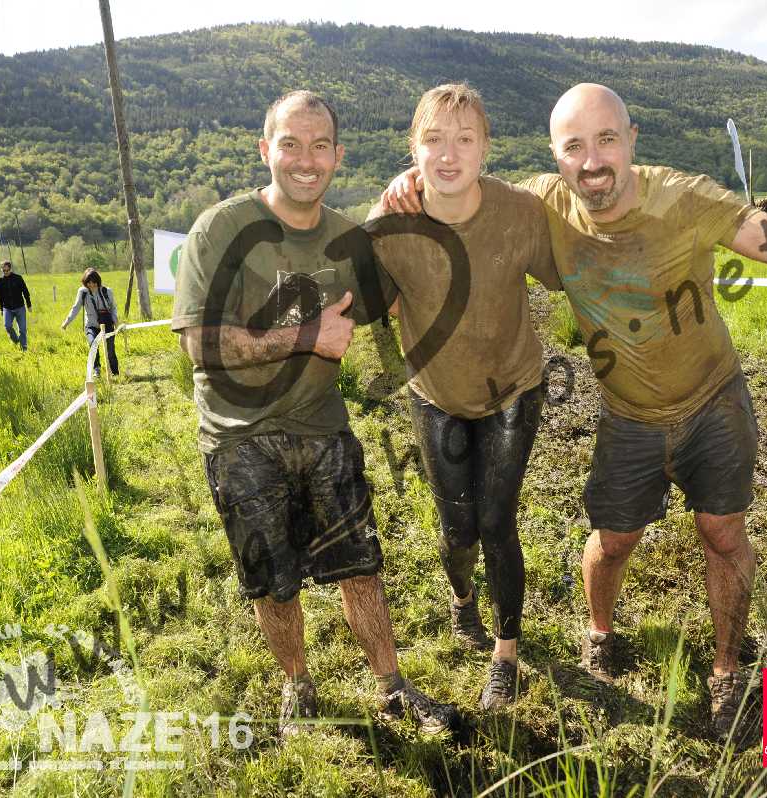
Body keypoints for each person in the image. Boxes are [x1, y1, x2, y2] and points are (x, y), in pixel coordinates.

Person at [382, 82, 767, 738]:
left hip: (713, 402)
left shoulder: (683, 197)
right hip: (627, 413)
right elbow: (461, 184)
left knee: (723, 534)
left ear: (632, 140)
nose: (592, 161)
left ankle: (726, 670)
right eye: (575, 147)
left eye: (607, 140)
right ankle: (599, 634)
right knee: (613, 541)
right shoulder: (543, 204)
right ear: (556, 156)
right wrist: (405, 184)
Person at [171, 90, 457, 738]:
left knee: (362, 566)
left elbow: (390, 295)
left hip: (323, 426)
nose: (306, 160)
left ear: (337, 155)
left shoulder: (345, 238)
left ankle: (392, 685)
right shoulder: (220, 229)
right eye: (291, 144)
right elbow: (200, 344)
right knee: (275, 582)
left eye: (320, 146)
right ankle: (297, 682)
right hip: (240, 436)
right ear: (265, 150)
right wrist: (307, 337)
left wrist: (407, 202)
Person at [366, 84, 557, 710]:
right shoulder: (392, 222)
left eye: (464, 139)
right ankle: (462, 600)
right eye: (434, 140)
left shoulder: (519, 212)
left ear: (485, 148)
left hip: (512, 390)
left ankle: (506, 654)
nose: (449, 155)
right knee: (457, 531)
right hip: (436, 396)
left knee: (497, 521)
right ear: (413, 148)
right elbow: (364, 299)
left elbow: (573, 266)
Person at [61, 268, 120, 377]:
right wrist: (66, 322)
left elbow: (113, 308)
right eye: (89, 283)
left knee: (110, 349)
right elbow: (76, 308)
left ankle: (115, 372)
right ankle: (97, 369)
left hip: (107, 324)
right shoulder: (82, 293)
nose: (92, 285)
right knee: (93, 344)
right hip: (91, 325)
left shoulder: (107, 291)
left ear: (98, 281)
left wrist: (116, 323)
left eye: (94, 283)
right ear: (85, 283)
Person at [0, 259, 31, 350]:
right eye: (4, 271)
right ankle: (16, 340)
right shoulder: (0, 281)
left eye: (7, 270)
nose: (5, 272)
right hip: (7, 308)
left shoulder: (18, 278)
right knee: (7, 326)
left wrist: (29, 305)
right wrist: (1, 309)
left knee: (22, 329)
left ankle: (24, 348)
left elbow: (25, 292)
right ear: (1, 270)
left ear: (10, 269)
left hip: (20, 308)